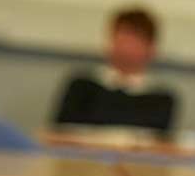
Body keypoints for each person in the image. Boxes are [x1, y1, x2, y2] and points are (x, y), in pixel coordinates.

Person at [53, 7, 177, 135]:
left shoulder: (161, 98)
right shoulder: (81, 86)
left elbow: (159, 144)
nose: (126, 48)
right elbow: (59, 132)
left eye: (135, 41)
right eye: (122, 39)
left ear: (151, 49)